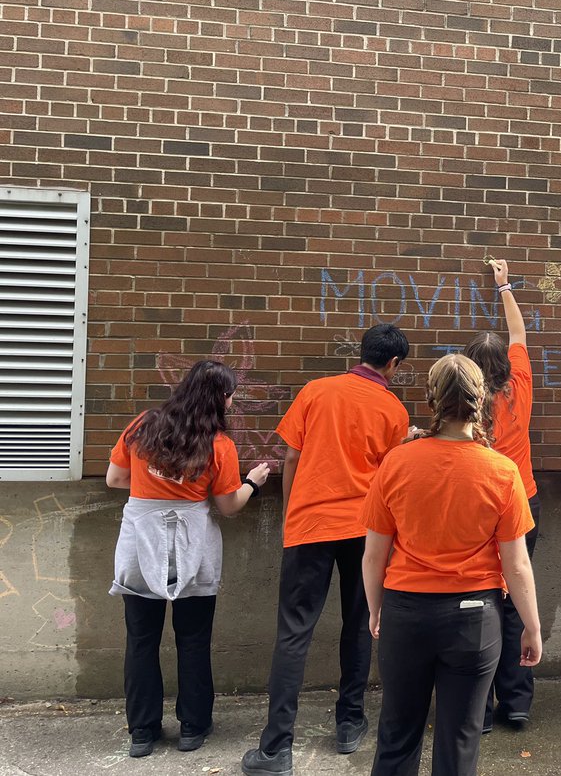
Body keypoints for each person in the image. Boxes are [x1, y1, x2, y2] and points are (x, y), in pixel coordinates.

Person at [243, 325, 412, 776]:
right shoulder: (394, 409)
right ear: (393, 364)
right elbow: (392, 478)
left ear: (362, 353)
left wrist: (291, 514)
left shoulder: (315, 391)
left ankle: (276, 748)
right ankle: (350, 723)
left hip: (310, 526)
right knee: (359, 625)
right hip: (365, 532)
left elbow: (292, 458)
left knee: (294, 632)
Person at [361, 353, 541, 776]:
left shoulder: (397, 462)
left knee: (396, 735)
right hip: (475, 619)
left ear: (431, 400)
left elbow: (374, 554)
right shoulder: (501, 470)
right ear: (482, 399)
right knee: (460, 740)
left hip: (406, 612)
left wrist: (375, 609)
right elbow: (516, 566)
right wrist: (531, 627)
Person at [106, 360, 271, 758]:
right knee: (193, 640)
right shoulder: (218, 445)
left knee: (141, 641)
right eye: (230, 395)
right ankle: (193, 728)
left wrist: (152, 484)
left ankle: (142, 733)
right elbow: (229, 506)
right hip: (192, 546)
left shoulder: (143, 425)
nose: (232, 402)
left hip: (140, 543)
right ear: (219, 399)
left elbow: (114, 478)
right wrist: (253, 482)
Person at [462, 258, 539, 733]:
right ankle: (517, 702)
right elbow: (518, 335)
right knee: (515, 604)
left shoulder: (464, 404)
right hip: (522, 503)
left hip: (475, 509)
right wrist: (505, 286)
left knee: (479, 603)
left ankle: (478, 704)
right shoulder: (521, 388)